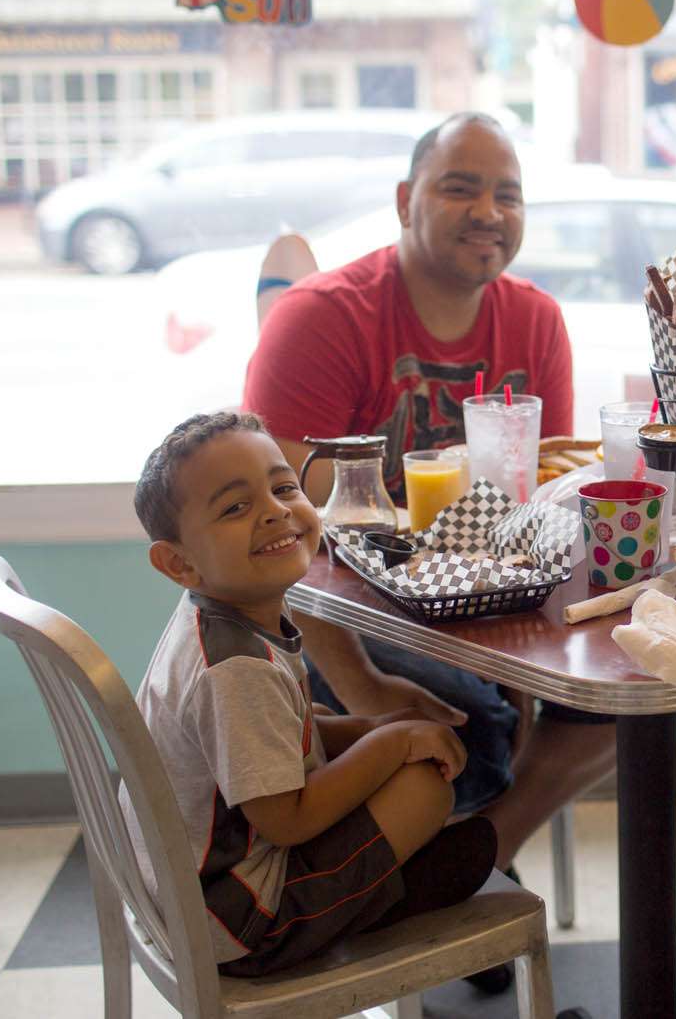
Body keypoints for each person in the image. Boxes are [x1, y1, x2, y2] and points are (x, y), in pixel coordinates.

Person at [242, 113, 616, 893]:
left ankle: (465, 870)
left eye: (508, 195)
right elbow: (279, 548)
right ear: (406, 198)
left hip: (485, 609)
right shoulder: (322, 318)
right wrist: (364, 689)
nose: (489, 211)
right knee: (474, 731)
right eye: (461, 188)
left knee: (625, 700)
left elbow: (540, 514)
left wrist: (521, 668)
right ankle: (425, 885)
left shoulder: (536, 320)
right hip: (331, 621)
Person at [125, 412, 496, 976]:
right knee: (424, 789)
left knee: (356, 732)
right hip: (241, 921)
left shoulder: (219, 614)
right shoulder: (236, 668)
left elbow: (271, 740)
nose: (274, 510)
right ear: (178, 562)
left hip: (196, 889)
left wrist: (370, 730)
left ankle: (382, 881)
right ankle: (378, 898)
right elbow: (286, 820)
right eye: (235, 507)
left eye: (283, 488)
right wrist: (392, 744)